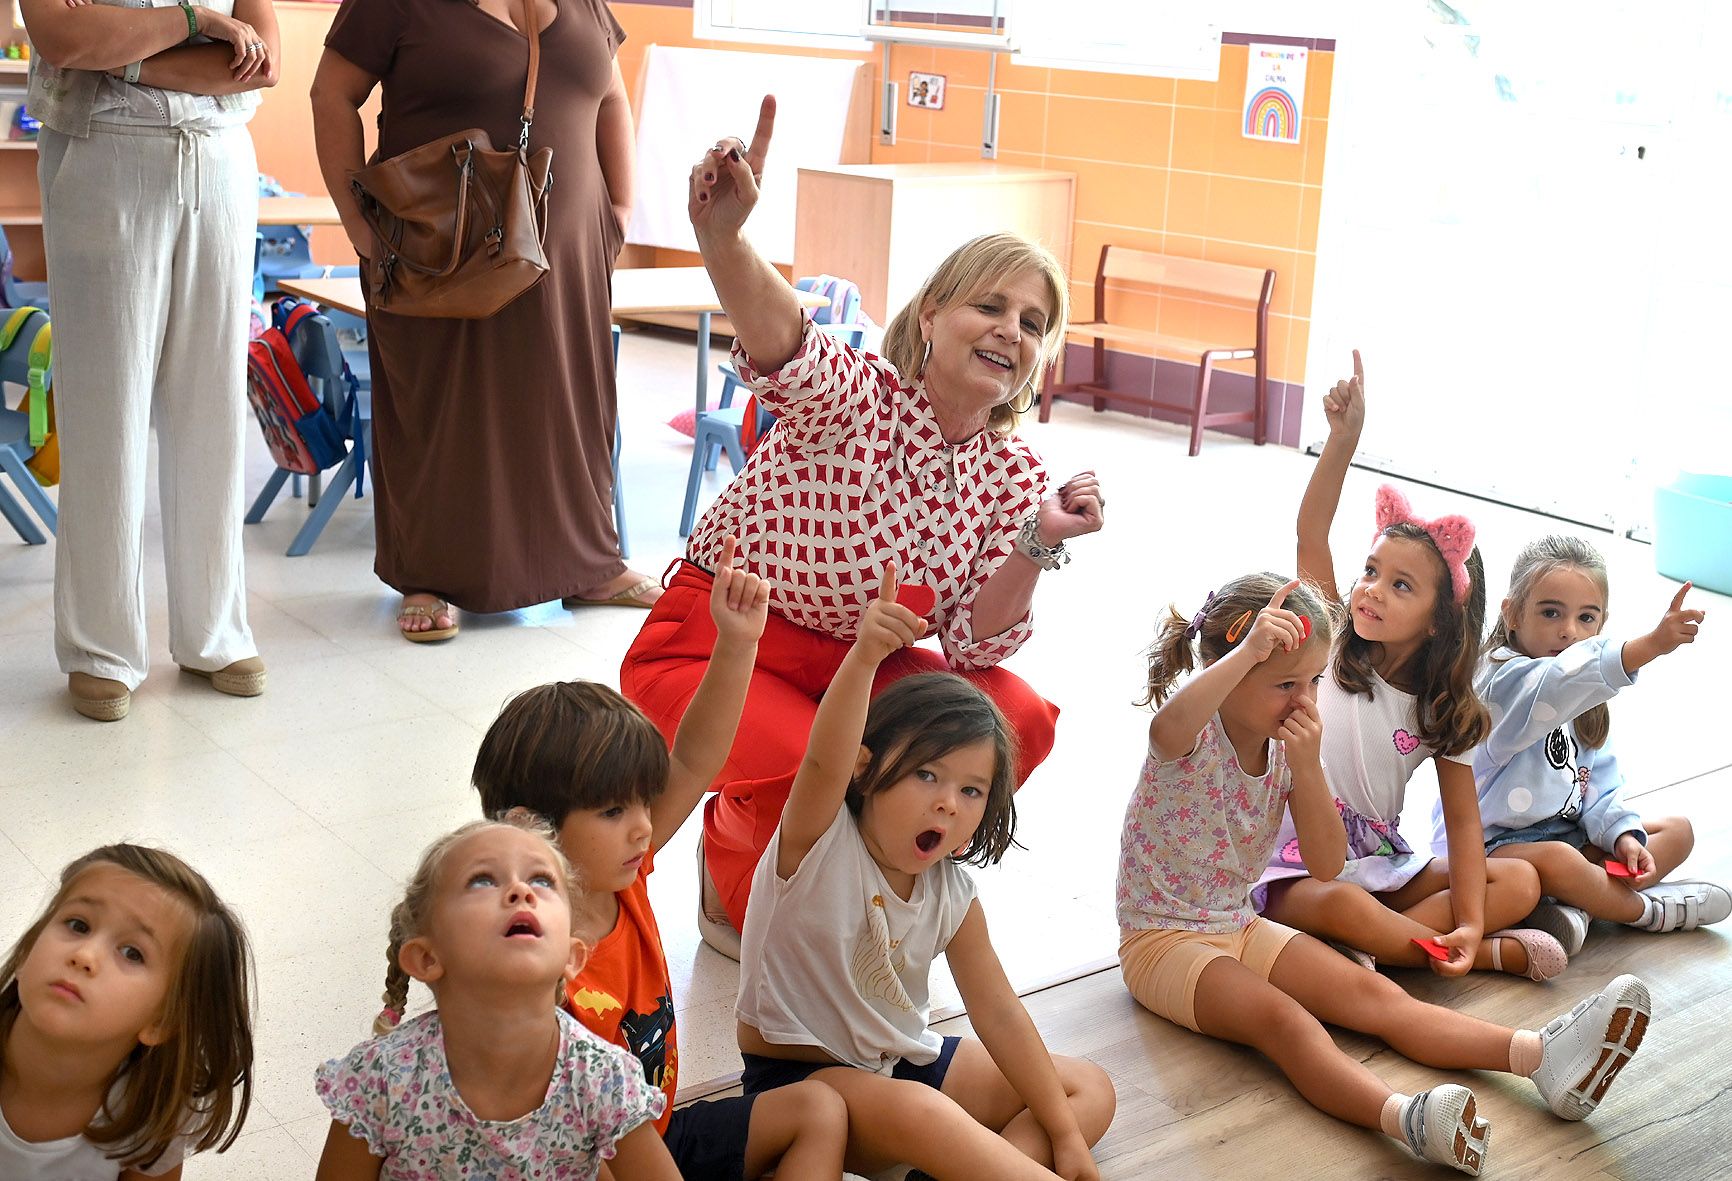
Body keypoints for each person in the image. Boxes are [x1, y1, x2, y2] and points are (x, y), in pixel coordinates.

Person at [621, 95, 1104, 953]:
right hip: (721, 640)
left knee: (1012, 720)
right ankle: (732, 859)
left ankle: (867, 886)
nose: (1011, 331)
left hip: (858, 659)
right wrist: (726, 240)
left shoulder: (1015, 470)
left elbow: (974, 646)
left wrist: (1037, 540)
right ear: (930, 318)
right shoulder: (858, 399)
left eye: (1034, 324)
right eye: (989, 306)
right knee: (822, 755)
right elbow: (783, 337)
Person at [1119, 573, 1652, 1176]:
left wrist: (1305, 766)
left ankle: (1541, 1056)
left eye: (1313, 682)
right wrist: (1248, 651)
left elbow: (1325, 864)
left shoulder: (1285, 746)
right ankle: (1407, 1119)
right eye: (1284, 683)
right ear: (1228, 668)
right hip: (1163, 941)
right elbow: (1163, 727)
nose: (1304, 700)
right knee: (1285, 1022)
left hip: (1236, 925)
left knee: (1376, 996)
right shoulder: (1191, 738)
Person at [471, 538, 850, 1181]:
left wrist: (735, 646)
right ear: (532, 831)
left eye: (642, 803)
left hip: (658, 1135)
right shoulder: (523, 964)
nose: (646, 825)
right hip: (585, 1167)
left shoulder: (621, 876)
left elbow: (696, 760)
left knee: (819, 1110)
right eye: (614, 812)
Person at [736, 565, 1117, 1181]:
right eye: (927, 775)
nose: (949, 803)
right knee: (924, 1111)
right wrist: (863, 659)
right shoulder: (818, 841)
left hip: (900, 1065)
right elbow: (823, 757)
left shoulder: (954, 894)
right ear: (864, 769)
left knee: (1083, 1089)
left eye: (972, 790)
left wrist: (1068, 1137)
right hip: (805, 1087)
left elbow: (998, 1014)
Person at [310, 0, 661, 645]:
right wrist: (359, 223)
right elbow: (331, 93)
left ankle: (588, 563)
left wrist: (618, 207)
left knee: (569, 398)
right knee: (445, 405)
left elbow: (609, 95)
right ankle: (431, 575)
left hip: (570, 247)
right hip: (441, 247)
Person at [1253, 352, 1566, 981]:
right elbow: (1311, 534)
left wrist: (1473, 918)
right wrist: (1344, 441)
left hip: (1378, 860)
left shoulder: (1443, 710)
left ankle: (1392, 949)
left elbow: (1463, 822)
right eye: (1371, 572)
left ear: (1436, 621)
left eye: (1401, 586)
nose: (1370, 589)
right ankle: (1471, 955)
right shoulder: (1333, 640)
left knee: (1518, 879)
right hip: (1293, 859)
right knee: (1339, 901)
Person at [21, 0, 279, 719]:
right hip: (102, 152)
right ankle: (101, 645)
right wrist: (201, 21)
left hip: (222, 163)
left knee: (213, 406)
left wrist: (126, 56)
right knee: (105, 407)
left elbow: (265, 61)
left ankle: (215, 631)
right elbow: (63, 37)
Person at [313, 815, 677, 1180]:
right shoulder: (380, 1081)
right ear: (426, 957)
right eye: (482, 880)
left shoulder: (603, 1079)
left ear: (572, 957)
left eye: (541, 880)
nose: (521, 891)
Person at [1435, 536, 1727, 952]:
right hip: (1495, 851)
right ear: (1512, 614)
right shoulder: (1501, 679)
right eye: (1551, 612)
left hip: (1568, 838)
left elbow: (1597, 782)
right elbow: (1556, 685)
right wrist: (1648, 647)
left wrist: (1623, 836)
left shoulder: (1583, 698)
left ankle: (1584, 906)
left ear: (1601, 625)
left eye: (1586, 619)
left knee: (1677, 831)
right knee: (1557, 860)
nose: (1569, 632)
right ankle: (1644, 911)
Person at [0, 844, 255, 1178]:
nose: (85, 955)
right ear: (26, 953)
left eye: (132, 953)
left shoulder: (152, 1111)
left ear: (162, 1020)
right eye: (78, 925)